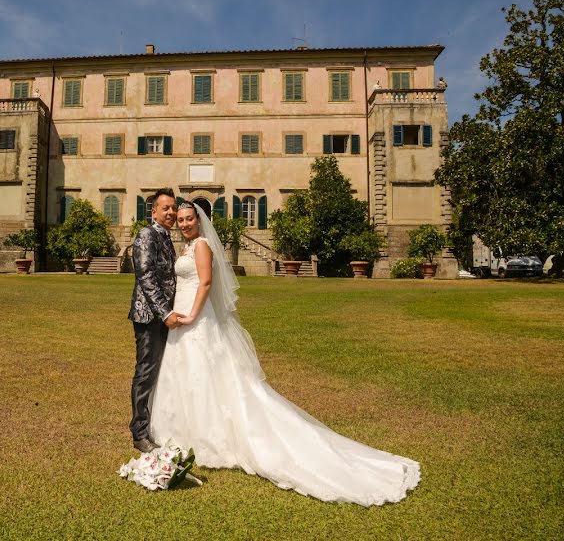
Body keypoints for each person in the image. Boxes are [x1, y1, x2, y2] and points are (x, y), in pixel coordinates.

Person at [149, 203, 420, 506]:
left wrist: (191, 314)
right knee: (188, 373)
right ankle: (189, 431)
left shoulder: (201, 245)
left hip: (195, 316)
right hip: (181, 317)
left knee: (205, 372)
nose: (184, 223)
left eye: (189, 219)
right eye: (181, 220)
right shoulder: (185, 246)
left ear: (200, 221)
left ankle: (211, 437)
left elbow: (207, 283)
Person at [127, 189, 185, 453]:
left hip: (164, 317)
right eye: (166, 208)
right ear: (153, 211)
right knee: (146, 372)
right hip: (149, 316)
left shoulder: (166, 238)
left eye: (174, 208)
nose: (171, 213)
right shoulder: (146, 234)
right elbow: (146, 276)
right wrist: (165, 313)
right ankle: (139, 433)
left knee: (161, 371)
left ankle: (155, 425)